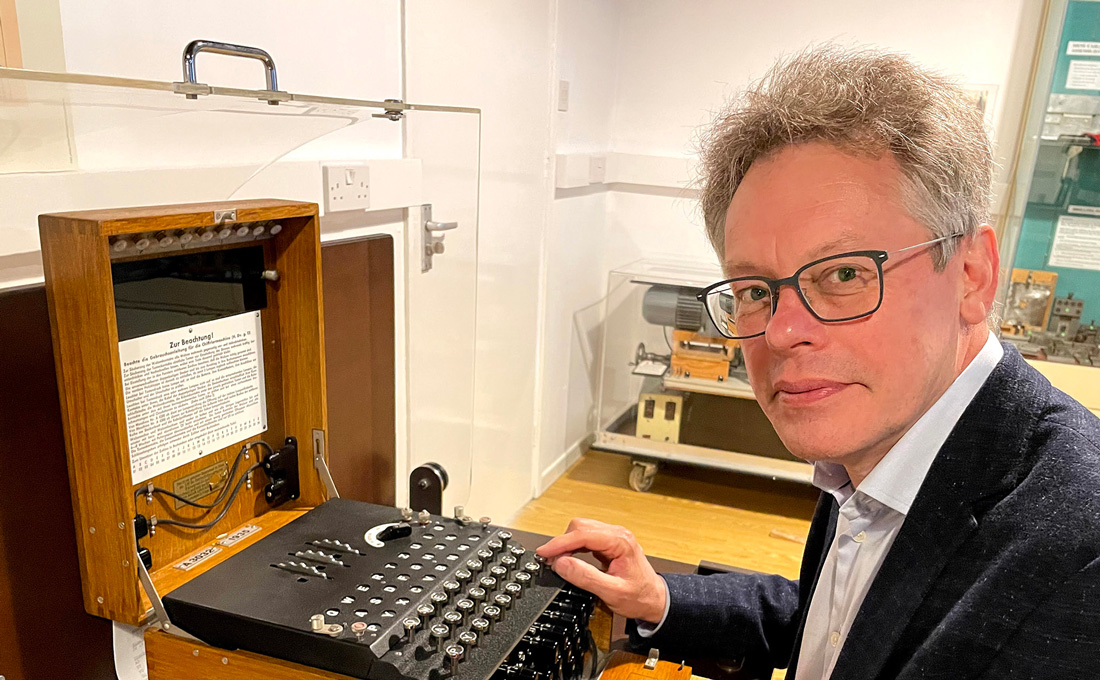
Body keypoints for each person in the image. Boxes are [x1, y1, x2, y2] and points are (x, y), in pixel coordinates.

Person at [537, 46, 1100, 679]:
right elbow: (845, 619)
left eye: (844, 274)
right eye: (754, 289)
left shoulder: (1078, 564)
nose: (781, 332)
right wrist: (661, 598)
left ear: (972, 275)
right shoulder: (889, 445)